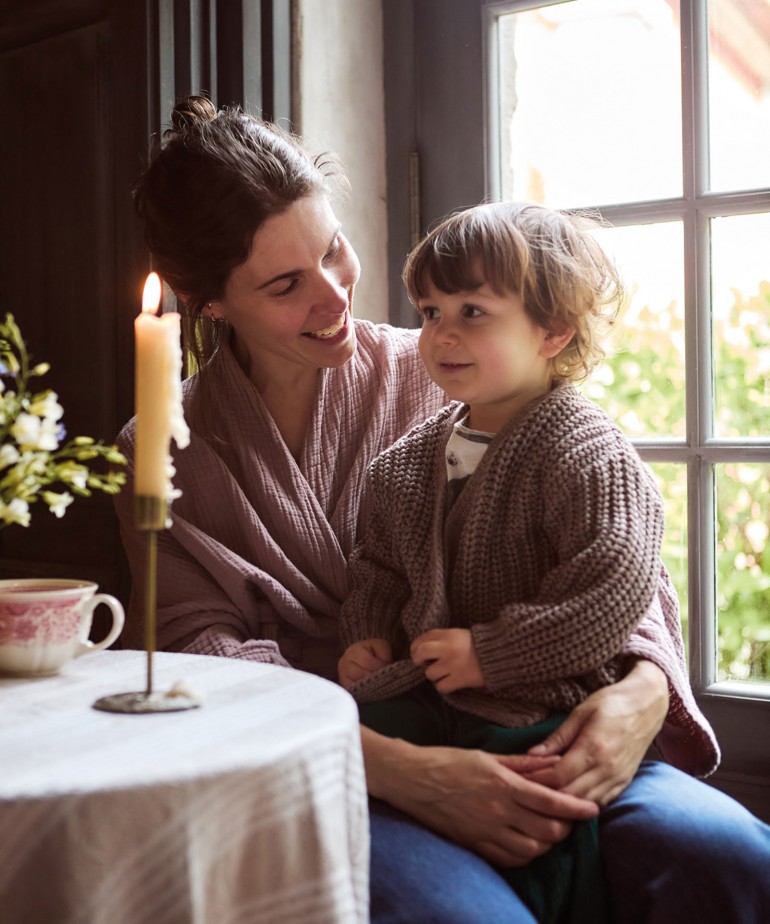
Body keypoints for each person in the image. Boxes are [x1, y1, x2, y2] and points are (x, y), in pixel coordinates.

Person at [115, 96, 770, 923]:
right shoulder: (167, 448)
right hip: (330, 760)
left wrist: (639, 695)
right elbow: (194, 655)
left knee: (729, 857)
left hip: (536, 715)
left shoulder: (449, 366)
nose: (332, 296)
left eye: (333, 251)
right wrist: (401, 770)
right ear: (212, 303)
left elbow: (616, 550)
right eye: (286, 283)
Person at [336, 201, 705, 922]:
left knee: (541, 811)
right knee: (350, 753)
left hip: (542, 704)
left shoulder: (588, 454)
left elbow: (611, 587)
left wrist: (492, 653)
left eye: (473, 310)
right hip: (424, 701)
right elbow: (377, 566)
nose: (442, 332)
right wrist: (366, 632)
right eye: (430, 309)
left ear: (552, 331)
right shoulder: (401, 468)